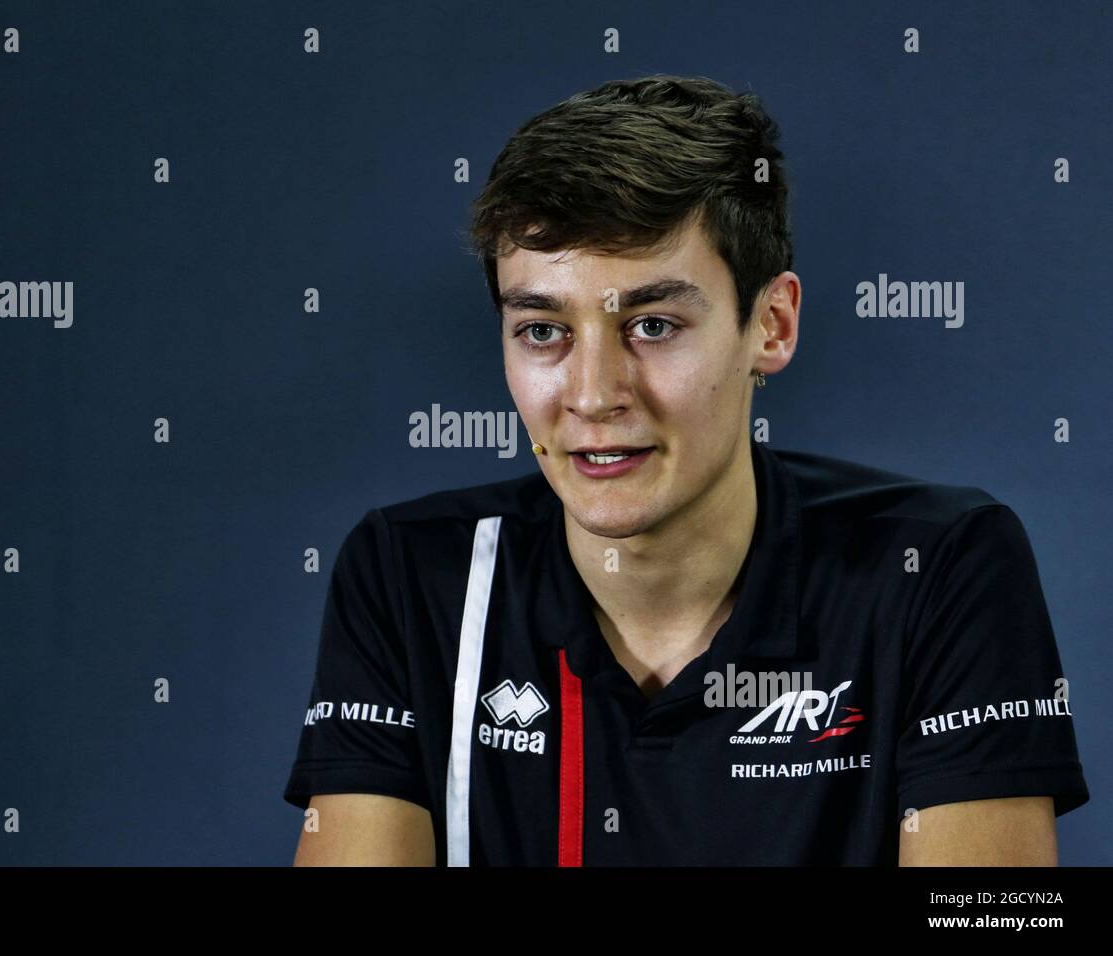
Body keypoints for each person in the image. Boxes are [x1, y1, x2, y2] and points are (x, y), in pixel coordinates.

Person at [283, 74, 1089, 865]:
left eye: (654, 324)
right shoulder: (410, 572)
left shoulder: (940, 564)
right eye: (541, 331)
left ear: (770, 325)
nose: (594, 396)